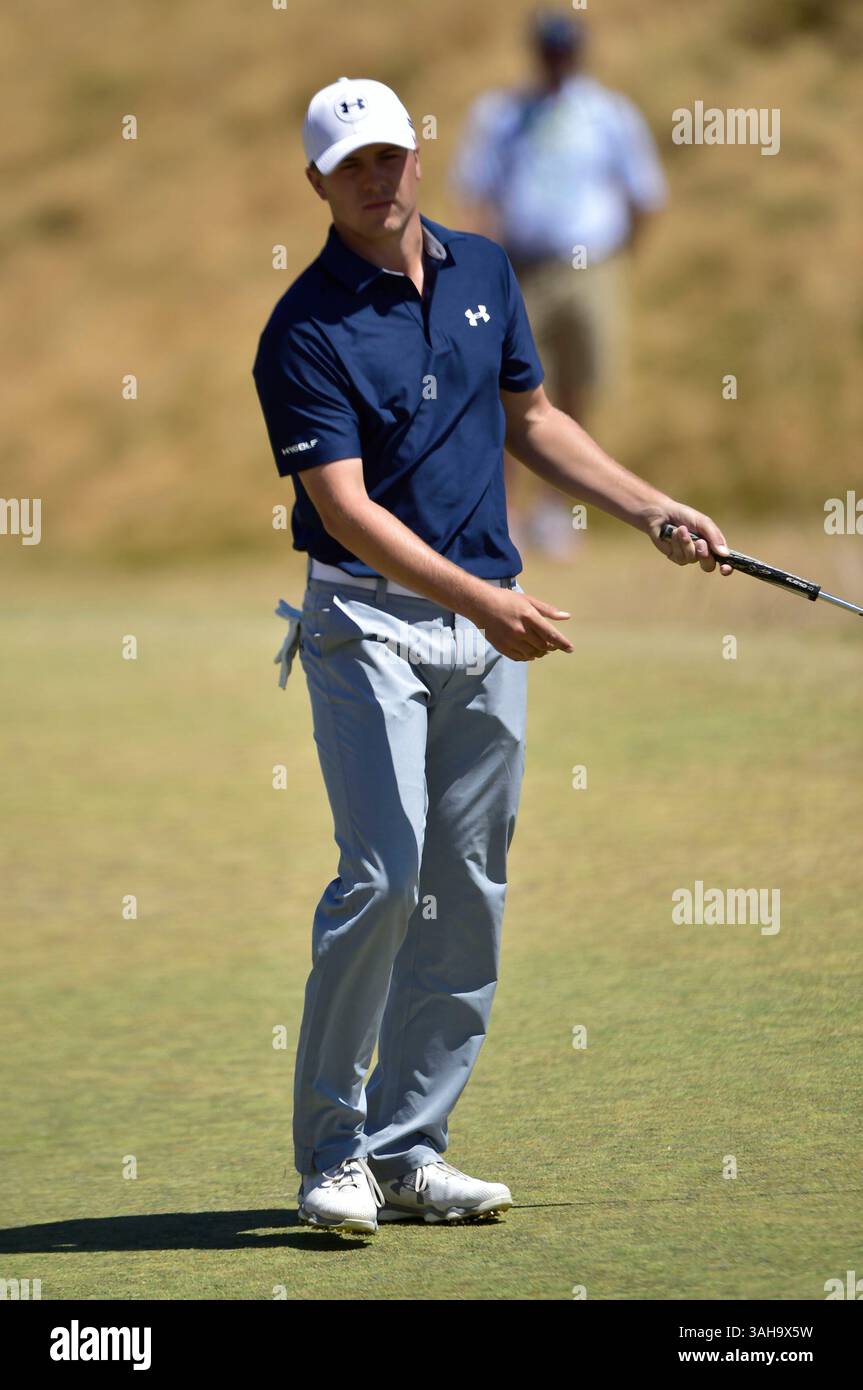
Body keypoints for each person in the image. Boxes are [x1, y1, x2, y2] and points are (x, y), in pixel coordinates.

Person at [251, 75, 731, 1236]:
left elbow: (531, 420)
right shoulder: (302, 330)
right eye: (350, 162)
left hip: (483, 624)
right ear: (315, 182)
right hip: (364, 620)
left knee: (466, 888)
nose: (378, 175)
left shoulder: (481, 272)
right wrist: (484, 598)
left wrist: (649, 508)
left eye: (390, 154)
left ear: (417, 157)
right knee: (385, 872)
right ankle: (332, 1155)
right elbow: (350, 512)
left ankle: (409, 1149)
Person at [450, 11, 668, 557]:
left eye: (564, 50)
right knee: (512, 391)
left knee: (579, 386)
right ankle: (508, 513)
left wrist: (621, 255)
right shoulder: (502, 114)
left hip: (590, 267)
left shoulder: (608, 114)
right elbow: (477, 192)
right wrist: (480, 269)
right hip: (521, 267)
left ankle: (558, 512)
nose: (556, 60)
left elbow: (644, 194)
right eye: (548, 50)